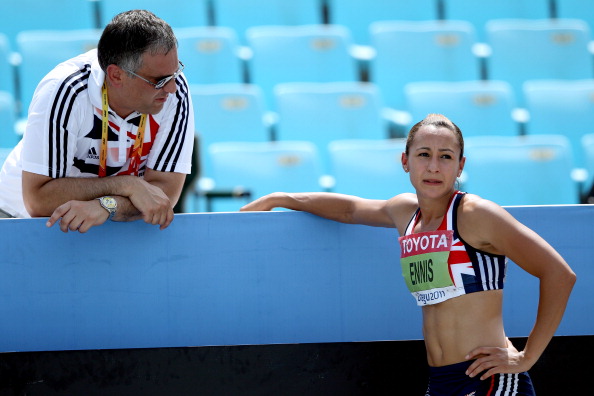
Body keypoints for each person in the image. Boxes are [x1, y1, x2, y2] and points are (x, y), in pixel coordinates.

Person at [240, 114, 576, 395]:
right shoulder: (405, 212)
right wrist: (281, 198)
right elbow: (349, 209)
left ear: (460, 166)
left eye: (445, 156)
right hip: (441, 381)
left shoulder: (475, 214)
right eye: (423, 154)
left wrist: (527, 357)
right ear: (405, 161)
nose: (434, 166)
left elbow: (559, 273)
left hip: (488, 380)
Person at [0, 9, 194, 232]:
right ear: (116, 75)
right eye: (158, 81)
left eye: (175, 73)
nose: (171, 87)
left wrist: (107, 205)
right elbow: (38, 200)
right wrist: (127, 185)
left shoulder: (174, 91)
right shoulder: (66, 89)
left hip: (100, 225)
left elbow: (163, 195)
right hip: (18, 220)